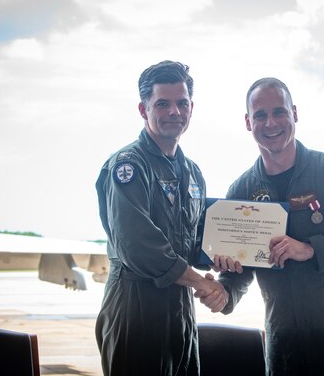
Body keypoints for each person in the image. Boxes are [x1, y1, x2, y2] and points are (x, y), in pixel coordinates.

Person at [209, 77, 324, 375]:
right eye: (260, 115)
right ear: (248, 122)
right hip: (285, 347)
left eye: (279, 112)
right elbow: (240, 269)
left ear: (295, 114)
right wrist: (224, 292)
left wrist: (310, 249)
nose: (271, 122)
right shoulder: (241, 190)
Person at [95, 60, 228, 376]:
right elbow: (138, 246)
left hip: (180, 305)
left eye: (182, 103)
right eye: (163, 104)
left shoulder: (193, 173)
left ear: (191, 108)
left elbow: (196, 241)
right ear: (143, 110)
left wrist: (223, 257)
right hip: (136, 305)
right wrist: (199, 282)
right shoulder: (128, 167)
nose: (174, 112)